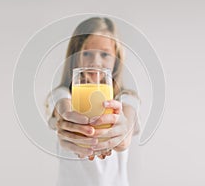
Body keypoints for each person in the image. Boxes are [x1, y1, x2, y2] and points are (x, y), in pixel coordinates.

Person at [45, 17, 140, 186]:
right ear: (75, 57)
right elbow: (62, 108)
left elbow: (128, 121)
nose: (95, 62)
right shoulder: (61, 95)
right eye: (87, 53)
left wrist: (123, 133)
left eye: (104, 54)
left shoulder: (126, 99)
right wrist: (68, 124)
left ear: (116, 59)